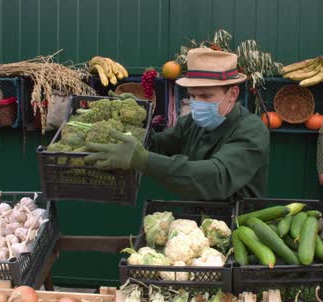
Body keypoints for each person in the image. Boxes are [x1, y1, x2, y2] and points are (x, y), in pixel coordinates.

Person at [85, 48, 270, 201]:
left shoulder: (252, 130)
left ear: (232, 94)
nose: (197, 104)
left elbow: (217, 178)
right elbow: (156, 145)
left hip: (238, 228)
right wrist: (138, 117)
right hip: (192, 225)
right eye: (192, 96)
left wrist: (144, 160)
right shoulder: (191, 123)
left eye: (206, 96)